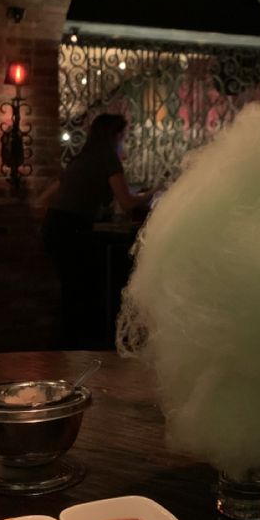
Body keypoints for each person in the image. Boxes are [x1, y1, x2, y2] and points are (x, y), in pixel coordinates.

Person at [42, 113, 152, 349]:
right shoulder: (107, 157)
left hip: (55, 226)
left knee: (70, 290)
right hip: (73, 229)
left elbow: (44, 197)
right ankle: (81, 349)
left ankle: (66, 348)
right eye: (122, 135)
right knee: (82, 291)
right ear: (114, 135)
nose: (123, 140)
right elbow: (126, 202)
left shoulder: (81, 158)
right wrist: (152, 194)